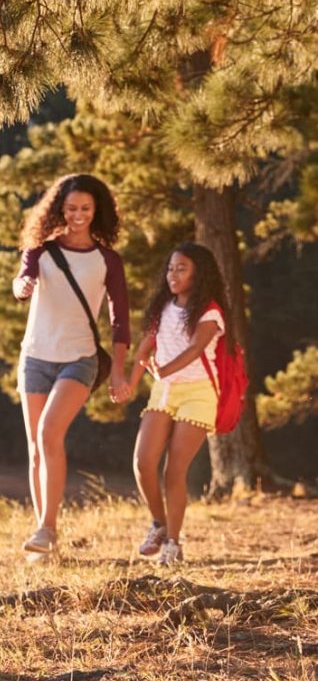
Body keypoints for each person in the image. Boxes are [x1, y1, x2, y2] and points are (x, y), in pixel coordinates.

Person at [13, 173, 130, 557]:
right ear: (59, 209)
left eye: (85, 209)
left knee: (49, 433)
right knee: (34, 448)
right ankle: (42, 531)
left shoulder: (107, 260)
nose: (78, 215)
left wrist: (118, 369)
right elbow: (23, 278)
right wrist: (22, 287)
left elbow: (120, 318)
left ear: (97, 211)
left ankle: (48, 529)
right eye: (71, 208)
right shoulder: (41, 250)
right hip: (35, 356)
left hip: (79, 359)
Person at [123, 241, 232, 566]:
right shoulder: (163, 308)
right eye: (171, 268)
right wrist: (128, 382)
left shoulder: (210, 311)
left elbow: (196, 348)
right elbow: (145, 349)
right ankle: (158, 524)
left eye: (181, 269)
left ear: (198, 275)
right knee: (143, 462)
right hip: (165, 391)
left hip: (199, 393)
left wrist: (163, 369)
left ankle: (173, 543)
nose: (173, 274)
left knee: (174, 470)